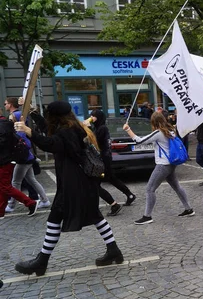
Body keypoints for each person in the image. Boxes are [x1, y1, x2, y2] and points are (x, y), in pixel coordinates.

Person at [13, 101, 123, 276]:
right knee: (94, 215)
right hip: (80, 182)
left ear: (55, 116)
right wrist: (33, 111)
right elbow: (48, 131)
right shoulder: (70, 126)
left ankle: (42, 261)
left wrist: (29, 132)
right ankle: (113, 250)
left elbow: (51, 143)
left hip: (75, 184)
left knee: (55, 219)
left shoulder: (67, 131)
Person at [123, 112, 195, 224]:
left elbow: (139, 141)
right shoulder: (170, 131)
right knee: (177, 187)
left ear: (154, 122)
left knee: (149, 189)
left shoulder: (159, 133)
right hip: (171, 164)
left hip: (163, 165)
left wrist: (128, 130)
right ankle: (188, 209)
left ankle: (147, 216)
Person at [88, 110, 136, 215]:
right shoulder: (99, 127)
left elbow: (93, 140)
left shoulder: (102, 128)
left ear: (98, 117)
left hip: (103, 159)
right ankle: (129, 195)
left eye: (93, 116)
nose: (91, 117)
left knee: (96, 183)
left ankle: (114, 205)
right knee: (111, 178)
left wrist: (88, 127)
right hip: (104, 158)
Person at [6, 111, 51, 212]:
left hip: (23, 160)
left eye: (12, 117)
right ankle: (45, 200)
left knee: (15, 182)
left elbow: (25, 145)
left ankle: (12, 205)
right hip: (28, 159)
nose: (10, 118)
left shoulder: (20, 131)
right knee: (32, 180)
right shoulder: (20, 130)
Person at [0, 115, 39, 219]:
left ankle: (30, 202)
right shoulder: (5, 125)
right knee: (3, 186)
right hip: (6, 159)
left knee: (5, 186)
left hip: (4, 161)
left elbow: (2, 144)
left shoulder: (2, 126)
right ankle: (1, 211)